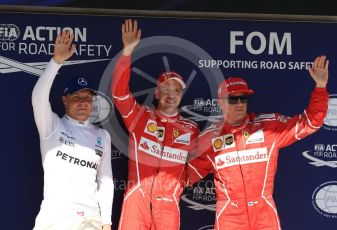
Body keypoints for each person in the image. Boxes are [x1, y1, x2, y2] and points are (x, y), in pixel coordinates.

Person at [187, 56, 329, 230]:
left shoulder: (268, 127)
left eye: (243, 98)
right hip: (230, 218)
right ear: (219, 103)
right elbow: (183, 177)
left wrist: (320, 88)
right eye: (232, 99)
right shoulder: (209, 139)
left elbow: (309, 123)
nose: (239, 103)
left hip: (264, 215)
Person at [111, 19, 199, 230]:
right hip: (136, 199)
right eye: (166, 90)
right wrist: (127, 53)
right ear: (157, 93)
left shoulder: (191, 129)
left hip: (168, 204)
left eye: (176, 91)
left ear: (181, 96)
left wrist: (181, 182)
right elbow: (119, 94)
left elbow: (202, 160)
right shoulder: (140, 117)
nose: (171, 95)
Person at [32, 30, 114, 230]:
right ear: (64, 99)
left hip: (90, 221)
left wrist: (106, 222)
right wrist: (56, 62)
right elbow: (37, 98)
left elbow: (105, 180)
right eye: (76, 97)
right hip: (56, 219)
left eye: (87, 98)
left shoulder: (102, 136)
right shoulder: (52, 126)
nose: (82, 102)